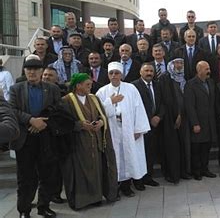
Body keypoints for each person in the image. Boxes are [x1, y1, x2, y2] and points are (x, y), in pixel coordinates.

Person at [9, 58, 62, 218]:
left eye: (35, 69)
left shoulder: (52, 88)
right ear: (24, 71)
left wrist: (43, 123)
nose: (32, 72)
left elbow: (58, 110)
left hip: (46, 137)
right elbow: (11, 110)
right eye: (28, 69)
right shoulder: (16, 88)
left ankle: (43, 206)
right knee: (25, 177)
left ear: (41, 71)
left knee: (47, 174)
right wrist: (31, 120)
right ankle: (24, 210)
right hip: (25, 139)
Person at [61, 73, 119, 209]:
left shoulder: (94, 98)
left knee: (97, 170)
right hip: (78, 144)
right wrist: (80, 125)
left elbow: (102, 115)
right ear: (78, 86)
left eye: (90, 85)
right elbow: (63, 123)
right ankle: (82, 201)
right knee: (81, 173)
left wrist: (100, 122)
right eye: (87, 85)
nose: (90, 87)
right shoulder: (66, 100)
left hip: (96, 142)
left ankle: (96, 198)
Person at [96, 62, 150, 197]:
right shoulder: (102, 91)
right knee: (116, 158)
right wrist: (110, 102)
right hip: (112, 130)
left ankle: (127, 186)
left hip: (129, 129)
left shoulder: (131, 88)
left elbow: (139, 108)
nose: (114, 76)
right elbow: (98, 112)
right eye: (111, 73)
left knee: (129, 157)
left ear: (122, 75)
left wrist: (139, 128)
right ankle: (115, 187)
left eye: (117, 73)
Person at [184, 61, 218, 180]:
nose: (209, 71)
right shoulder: (190, 84)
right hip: (198, 122)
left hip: (209, 122)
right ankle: (196, 171)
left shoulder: (211, 82)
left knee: (206, 148)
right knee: (196, 149)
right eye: (206, 69)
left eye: (209, 68)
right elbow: (190, 106)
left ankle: (205, 169)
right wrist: (195, 123)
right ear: (199, 70)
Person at [132, 63, 163, 188]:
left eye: (151, 70)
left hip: (155, 125)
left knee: (150, 152)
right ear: (140, 72)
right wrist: (148, 119)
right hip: (141, 125)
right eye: (146, 71)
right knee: (140, 153)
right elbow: (134, 107)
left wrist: (159, 116)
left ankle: (148, 177)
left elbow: (162, 103)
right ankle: (138, 180)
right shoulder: (134, 86)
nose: (149, 73)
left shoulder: (157, 85)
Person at [159, 58, 190, 183]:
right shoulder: (165, 78)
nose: (179, 65)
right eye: (176, 63)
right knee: (172, 147)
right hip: (170, 118)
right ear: (171, 64)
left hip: (185, 116)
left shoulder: (184, 77)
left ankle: (183, 171)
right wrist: (176, 115)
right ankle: (172, 174)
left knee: (184, 145)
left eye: (181, 63)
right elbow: (167, 99)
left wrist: (182, 114)